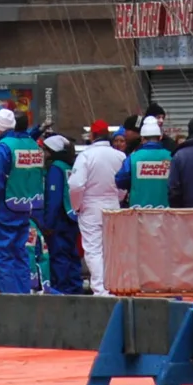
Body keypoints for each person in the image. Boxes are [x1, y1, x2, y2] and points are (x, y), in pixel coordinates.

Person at [0, 108, 46, 294]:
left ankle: (10, 300)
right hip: (25, 208)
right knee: (20, 255)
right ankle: (23, 296)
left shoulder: (2, 148)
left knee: (4, 259)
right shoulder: (31, 144)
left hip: (3, 210)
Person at [68, 121, 127, 292]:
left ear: (92, 136)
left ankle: (101, 290)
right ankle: (114, 287)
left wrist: (77, 206)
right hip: (113, 206)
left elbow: (76, 185)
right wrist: (118, 198)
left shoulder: (86, 156)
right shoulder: (120, 156)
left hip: (91, 206)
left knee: (93, 249)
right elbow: (124, 184)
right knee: (112, 249)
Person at [39, 133, 87, 294]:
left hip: (59, 220)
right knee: (72, 255)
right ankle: (75, 287)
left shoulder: (55, 168)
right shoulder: (68, 167)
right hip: (71, 217)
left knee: (59, 256)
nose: (43, 154)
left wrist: (48, 224)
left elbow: (54, 198)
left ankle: (61, 290)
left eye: (45, 150)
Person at [121, 116, 174, 208]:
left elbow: (120, 180)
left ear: (142, 138)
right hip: (165, 211)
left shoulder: (133, 158)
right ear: (160, 137)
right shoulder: (171, 157)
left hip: (139, 210)